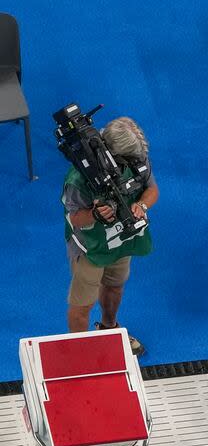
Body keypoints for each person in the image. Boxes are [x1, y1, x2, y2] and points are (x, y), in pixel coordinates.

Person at [62, 116, 158, 356]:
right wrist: (95, 214)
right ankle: (80, 354)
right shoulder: (78, 179)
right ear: (113, 155)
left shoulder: (136, 158)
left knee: (115, 287)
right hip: (91, 250)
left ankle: (109, 328)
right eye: (130, 159)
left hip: (121, 241)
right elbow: (74, 219)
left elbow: (152, 190)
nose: (138, 162)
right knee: (82, 305)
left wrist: (142, 206)